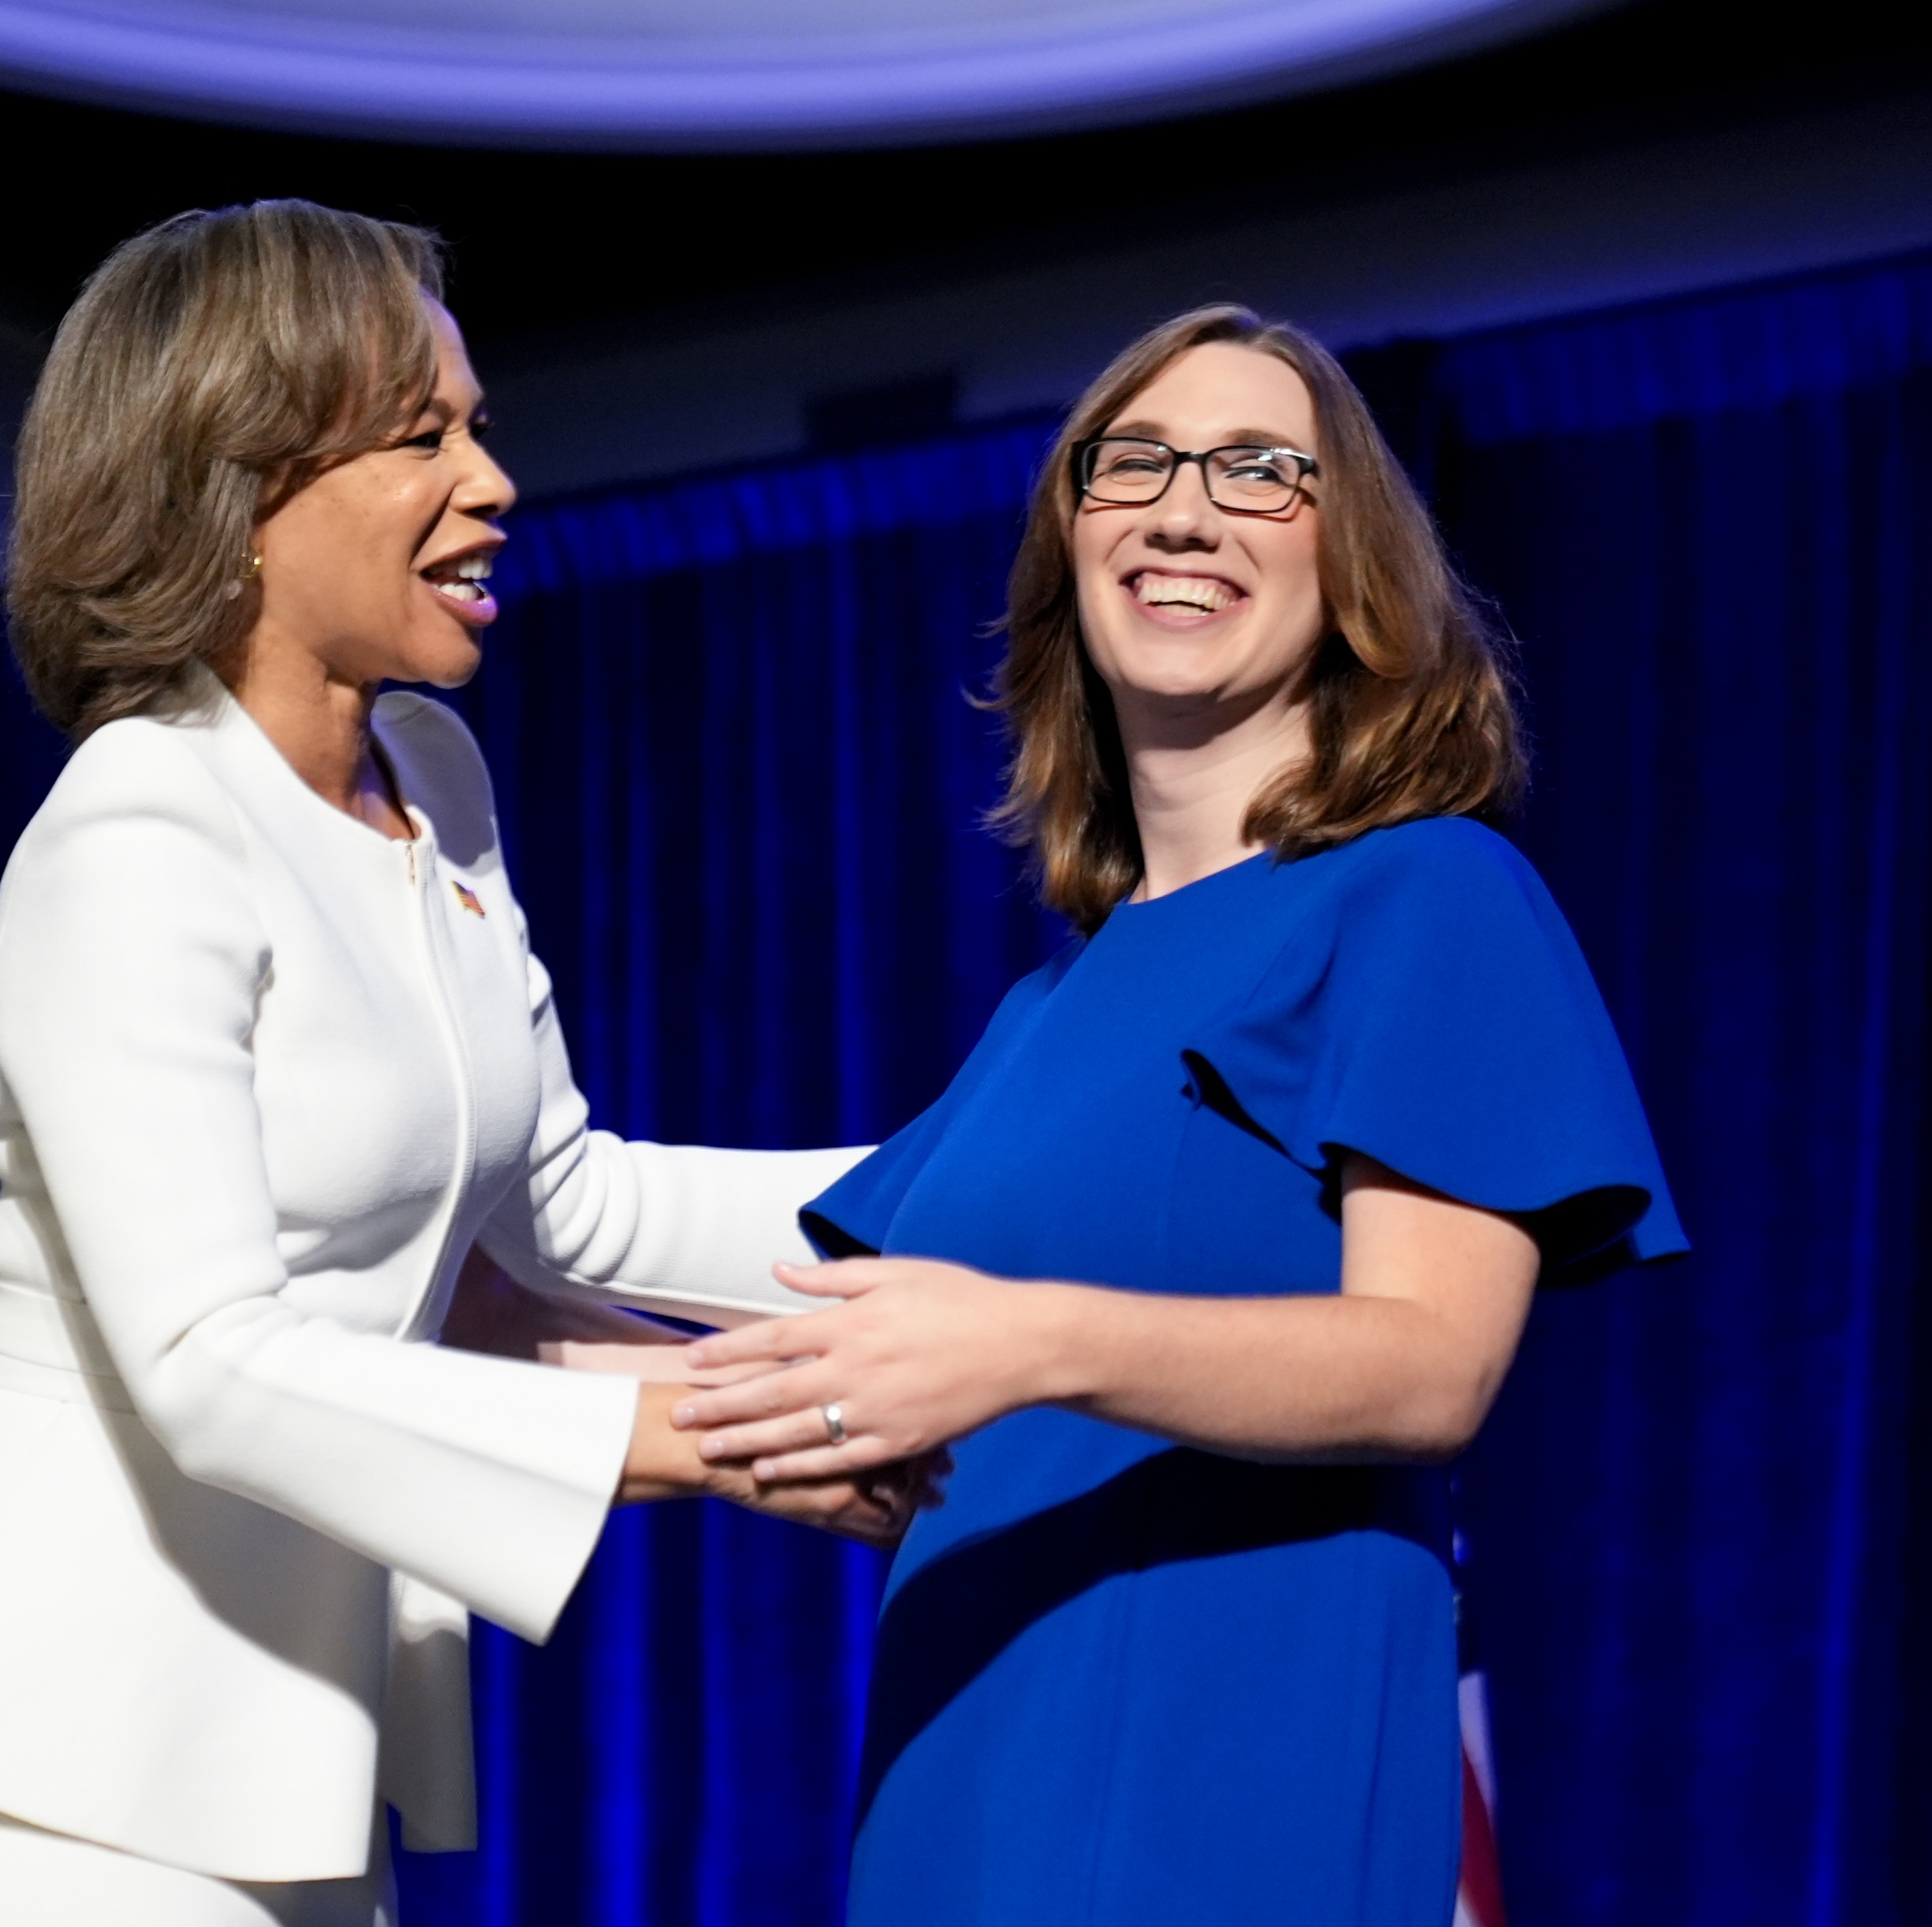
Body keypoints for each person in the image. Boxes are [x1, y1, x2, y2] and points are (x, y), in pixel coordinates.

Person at [0, 201, 905, 1927]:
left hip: (269, 1731)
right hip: (38, 1730)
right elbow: (209, 1358)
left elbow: (562, 1211)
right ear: (234, 486)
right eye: (418, 435)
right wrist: (736, 1430)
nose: (493, 478)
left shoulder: (430, 775)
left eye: (478, 423)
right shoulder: (138, 829)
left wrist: (978, 1186)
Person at [673, 305, 1687, 1925]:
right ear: (1068, 543)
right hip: (964, 1800)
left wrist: (1030, 1343)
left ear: (1351, 565)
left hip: (1222, 1809)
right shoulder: (1045, 1015)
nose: (1184, 508)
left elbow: (1432, 1362)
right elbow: (813, 1343)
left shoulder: (1427, 893)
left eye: (1259, 472)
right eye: (1130, 462)